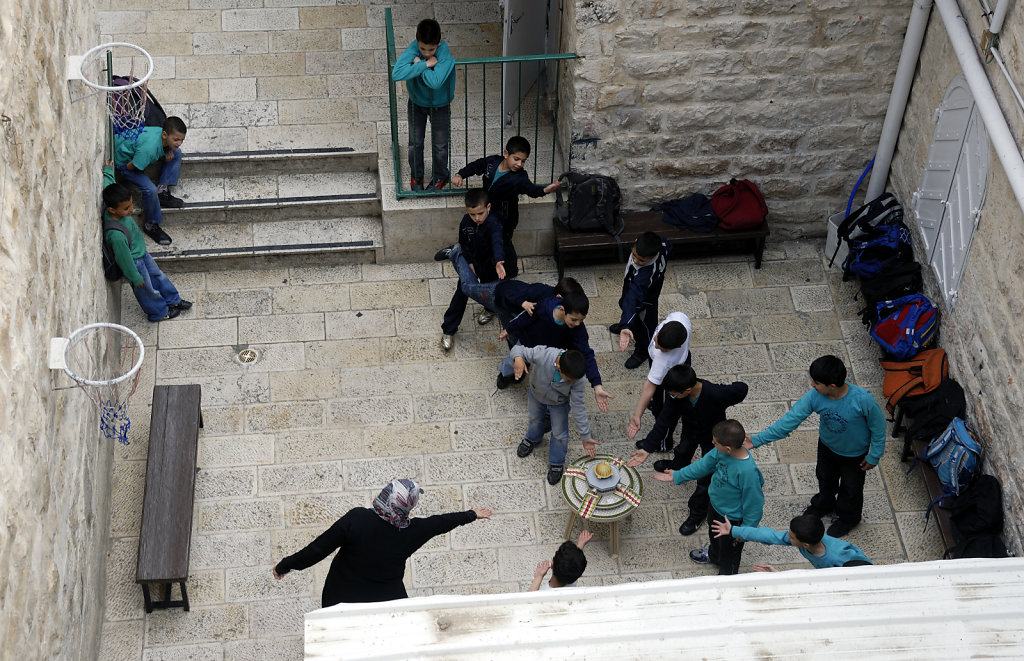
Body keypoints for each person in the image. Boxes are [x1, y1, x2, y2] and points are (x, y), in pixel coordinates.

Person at [273, 479, 492, 606]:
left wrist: (285, 566)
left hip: (341, 597)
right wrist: (471, 514)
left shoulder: (357, 519)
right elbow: (441, 523)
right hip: (387, 600)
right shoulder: (412, 531)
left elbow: (317, 550)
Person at [745, 355, 886, 538]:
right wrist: (757, 440)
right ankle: (823, 505)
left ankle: (848, 518)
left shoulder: (863, 400)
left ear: (832, 386)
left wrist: (874, 455)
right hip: (827, 448)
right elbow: (789, 421)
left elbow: (879, 428)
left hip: (855, 455)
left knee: (851, 488)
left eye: (817, 382)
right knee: (824, 478)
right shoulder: (815, 395)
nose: (812, 385)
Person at [627, 365, 748, 536]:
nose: (671, 397)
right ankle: (678, 467)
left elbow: (742, 388)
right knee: (683, 450)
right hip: (690, 430)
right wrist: (647, 447)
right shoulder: (676, 395)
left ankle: (698, 513)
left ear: (689, 389)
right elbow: (664, 420)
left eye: (674, 394)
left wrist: (726, 387)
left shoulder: (716, 393)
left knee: (705, 479)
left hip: (714, 441)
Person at [653, 419, 763, 575]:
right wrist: (678, 475)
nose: (712, 442)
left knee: (729, 552)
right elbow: (703, 465)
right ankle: (714, 556)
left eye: (715, 442)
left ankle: (727, 576)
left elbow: (755, 504)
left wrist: (745, 531)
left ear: (728, 448)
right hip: (715, 506)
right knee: (714, 536)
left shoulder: (747, 472)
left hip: (732, 520)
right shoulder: (720, 452)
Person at [452, 136, 561, 279]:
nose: (520, 164)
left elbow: (531, 190)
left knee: (504, 242)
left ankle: (510, 271)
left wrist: (544, 190)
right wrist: (460, 174)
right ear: (506, 154)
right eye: (516, 159)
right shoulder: (492, 162)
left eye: (523, 161)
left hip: (506, 218)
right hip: (489, 212)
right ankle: (492, 265)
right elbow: (476, 166)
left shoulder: (519, 178)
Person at [497, 289, 613, 414]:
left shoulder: (577, 329)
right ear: (563, 309)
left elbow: (587, 354)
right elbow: (525, 317)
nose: (578, 324)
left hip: (551, 355)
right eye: (574, 319)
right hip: (527, 343)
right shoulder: (543, 306)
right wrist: (509, 329)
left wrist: (597, 385)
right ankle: (506, 374)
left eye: (581, 320)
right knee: (512, 360)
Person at [103, 168, 191, 322]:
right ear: (112, 210)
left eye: (130, 205)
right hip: (135, 263)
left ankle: (173, 299)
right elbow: (124, 259)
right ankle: (159, 312)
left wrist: (108, 172)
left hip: (142, 253)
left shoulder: (115, 204)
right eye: (126, 208)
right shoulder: (116, 235)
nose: (131, 210)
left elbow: (109, 187)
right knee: (146, 290)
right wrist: (135, 278)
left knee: (158, 276)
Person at [511, 346, 599, 485]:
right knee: (534, 419)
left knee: (560, 434)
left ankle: (557, 462)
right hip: (536, 395)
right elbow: (518, 348)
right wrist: (518, 359)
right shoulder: (544, 354)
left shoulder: (578, 379)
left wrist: (585, 436)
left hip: (559, 403)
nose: (571, 383)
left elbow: (579, 407)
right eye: (569, 380)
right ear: (558, 366)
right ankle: (532, 438)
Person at [435, 188, 505, 351]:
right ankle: (449, 330)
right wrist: (469, 263)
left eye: (480, 213)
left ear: (488, 207)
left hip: (491, 265)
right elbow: (464, 242)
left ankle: (489, 309)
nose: (477, 218)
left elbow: (497, 242)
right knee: (462, 293)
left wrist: (499, 261)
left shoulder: (494, 223)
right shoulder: (466, 221)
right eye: (473, 214)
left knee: (490, 292)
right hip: (472, 261)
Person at [391, 18, 455, 190]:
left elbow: (435, 82)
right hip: (417, 104)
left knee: (440, 145)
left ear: (439, 43)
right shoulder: (414, 49)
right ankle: (416, 177)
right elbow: (396, 73)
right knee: (415, 143)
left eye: (431, 49)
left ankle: (441, 176)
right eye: (422, 49)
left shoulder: (444, 54)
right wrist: (426, 64)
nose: (426, 52)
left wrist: (419, 66)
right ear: (417, 42)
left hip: (440, 106)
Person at [113, 116, 187, 245]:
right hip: (124, 163)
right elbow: (132, 166)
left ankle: (162, 191)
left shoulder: (162, 134)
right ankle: (150, 224)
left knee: (177, 153)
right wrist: (162, 157)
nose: (179, 143)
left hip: (136, 151)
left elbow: (167, 147)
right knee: (150, 189)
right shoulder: (149, 150)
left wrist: (168, 149)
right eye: (176, 140)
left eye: (182, 140)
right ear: (164, 134)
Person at [712, 514, 872, 571]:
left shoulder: (837, 559)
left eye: (792, 536)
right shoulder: (808, 540)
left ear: (806, 545)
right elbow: (770, 536)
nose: (787, 536)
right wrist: (734, 530)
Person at [624, 311, 692, 446]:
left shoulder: (663, 360)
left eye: (662, 348)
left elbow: (649, 387)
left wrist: (637, 416)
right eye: (656, 340)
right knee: (659, 401)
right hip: (680, 361)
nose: (656, 346)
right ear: (665, 325)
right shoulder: (680, 317)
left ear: (677, 346)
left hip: (671, 376)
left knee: (664, 410)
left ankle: (663, 442)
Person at [611, 232, 672, 369]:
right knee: (626, 303)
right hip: (634, 288)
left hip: (645, 300)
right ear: (635, 241)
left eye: (641, 260)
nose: (637, 261)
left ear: (655, 255)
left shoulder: (644, 276)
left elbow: (633, 299)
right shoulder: (660, 244)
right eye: (634, 256)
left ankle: (643, 350)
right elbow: (667, 244)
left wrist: (626, 324)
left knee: (645, 325)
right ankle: (626, 324)